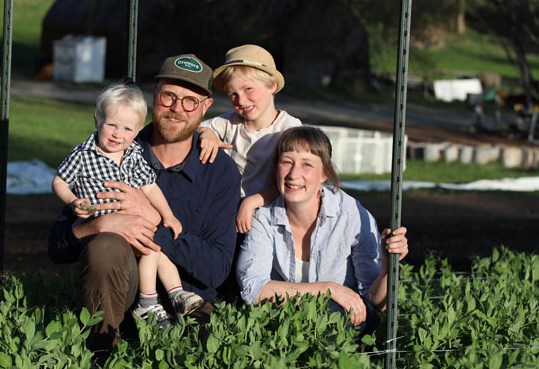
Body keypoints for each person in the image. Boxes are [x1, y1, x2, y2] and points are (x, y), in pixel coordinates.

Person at [48, 54, 241, 359]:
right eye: (169, 96)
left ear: (205, 108)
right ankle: (102, 351)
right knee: (106, 245)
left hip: (187, 305)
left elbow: (216, 270)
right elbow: (57, 248)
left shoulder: (220, 171)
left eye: (190, 101)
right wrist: (97, 225)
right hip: (123, 300)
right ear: (154, 96)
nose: (177, 108)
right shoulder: (114, 144)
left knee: (205, 350)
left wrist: (153, 221)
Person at [51, 84, 202, 328]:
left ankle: (176, 294)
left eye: (127, 129)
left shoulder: (133, 154)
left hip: (132, 224)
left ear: (137, 130)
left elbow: (150, 187)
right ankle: (147, 301)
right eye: (111, 124)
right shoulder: (83, 154)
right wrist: (72, 200)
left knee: (155, 248)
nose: (117, 134)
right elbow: (59, 180)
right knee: (145, 251)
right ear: (97, 119)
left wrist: (169, 215)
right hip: (100, 222)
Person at [235, 126, 409, 335]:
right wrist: (329, 289)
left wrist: (388, 266)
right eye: (286, 162)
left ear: (324, 173)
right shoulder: (263, 217)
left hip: (342, 322)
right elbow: (253, 290)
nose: (293, 174)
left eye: (307, 164)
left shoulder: (352, 214)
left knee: (332, 314)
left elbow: (376, 301)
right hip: (285, 321)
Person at [197, 44, 302, 234]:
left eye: (248, 89)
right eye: (233, 94)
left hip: (272, 213)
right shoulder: (229, 123)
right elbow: (194, 128)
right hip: (229, 211)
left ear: (272, 85)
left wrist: (253, 201)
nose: (241, 101)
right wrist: (208, 134)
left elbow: (291, 179)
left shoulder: (288, 128)